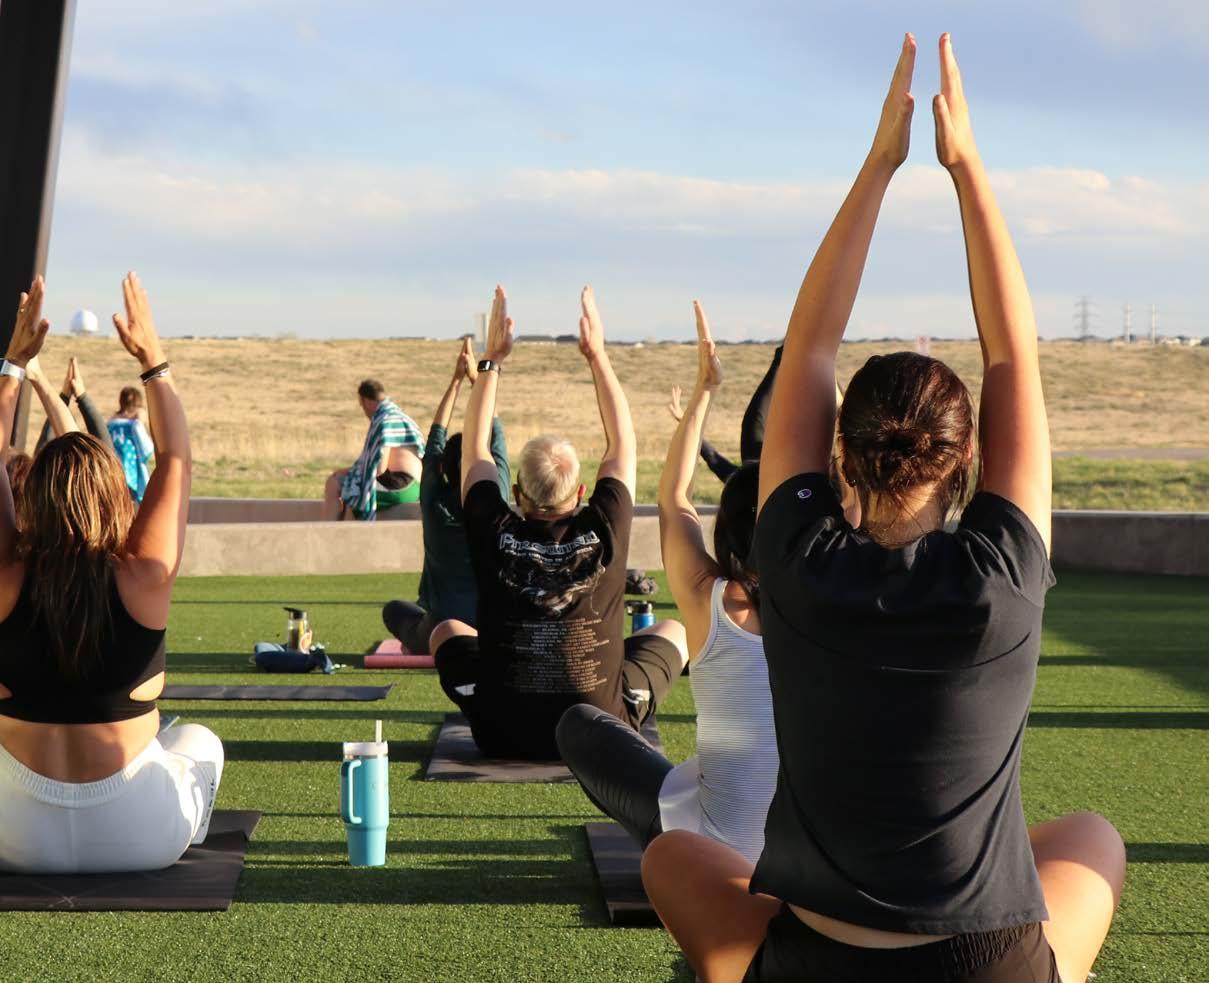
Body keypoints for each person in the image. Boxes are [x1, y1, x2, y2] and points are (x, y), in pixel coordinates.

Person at [641, 35, 1125, 983]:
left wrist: (878, 165)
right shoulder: (1001, 576)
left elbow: (809, 349)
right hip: (987, 965)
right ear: (966, 462)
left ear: (840, 457)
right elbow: (1011, 357)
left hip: (814, 960)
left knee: (670, 857)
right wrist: (966, 167)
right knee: (1091, 838)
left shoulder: (794, 557)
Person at [559, 302, 802, 863]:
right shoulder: (836, 605)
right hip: (812, 864)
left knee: (579, 724)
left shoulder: (712, 600)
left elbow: (673, 496)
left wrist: (704, 392)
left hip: (710, 858)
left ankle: (667, 839)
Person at [0, 272, 223, 874]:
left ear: (33, 499)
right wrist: (153, 361)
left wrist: (14, 365)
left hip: (15, 837)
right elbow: (175, 458)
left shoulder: (7, 578)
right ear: (112, 497)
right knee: (198, 741)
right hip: (140, 834)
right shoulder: (144, 575)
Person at [429, 285, 689, 760]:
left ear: (517, 494)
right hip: (600, 732)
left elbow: (475, 452)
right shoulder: (605, 524)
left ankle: (483, 699)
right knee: (674, 631)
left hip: (503, 734)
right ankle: (624, 699)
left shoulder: (495, 528)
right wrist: (597, 356)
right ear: (582, 492)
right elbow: (622, 444)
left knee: (447, 629)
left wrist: (491, 362)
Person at [381, 337, 510, 654]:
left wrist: (456, 380)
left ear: (443, 468)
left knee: (394, 610)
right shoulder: (497, 497)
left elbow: (435, 438)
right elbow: (495, 433)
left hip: (441, 631)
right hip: (494, 627)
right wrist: (478, 380)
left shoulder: (434, 503)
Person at [668, 341, 782, 484]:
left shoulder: (742, 482)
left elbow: (713, 458)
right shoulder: (750, 481)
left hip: (760, 466)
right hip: (773, 466)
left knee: (753, 423)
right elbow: (713, 458)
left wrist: (685, 422)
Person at [323, 379, 425, 521]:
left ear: (365, 401)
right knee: (350, 486)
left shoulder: (384, 420)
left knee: (336, 484)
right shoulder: (400, 416)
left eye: (362, 406)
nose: (364, 411)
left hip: (401, 486)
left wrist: (345, 474)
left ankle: (329, 530)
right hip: (417, 485)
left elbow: (379, 468)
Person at [36, 356, 116, 456]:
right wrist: (82, 397)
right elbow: (107, 454)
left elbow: (41, 453)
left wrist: (66, 397)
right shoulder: (102, 464)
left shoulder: (44, 466)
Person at [107, 385, 155, 503]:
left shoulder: (110, 423)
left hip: (112, 468)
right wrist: (141, 422)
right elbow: (147, 448)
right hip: (132, 470)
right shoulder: (135, 424)